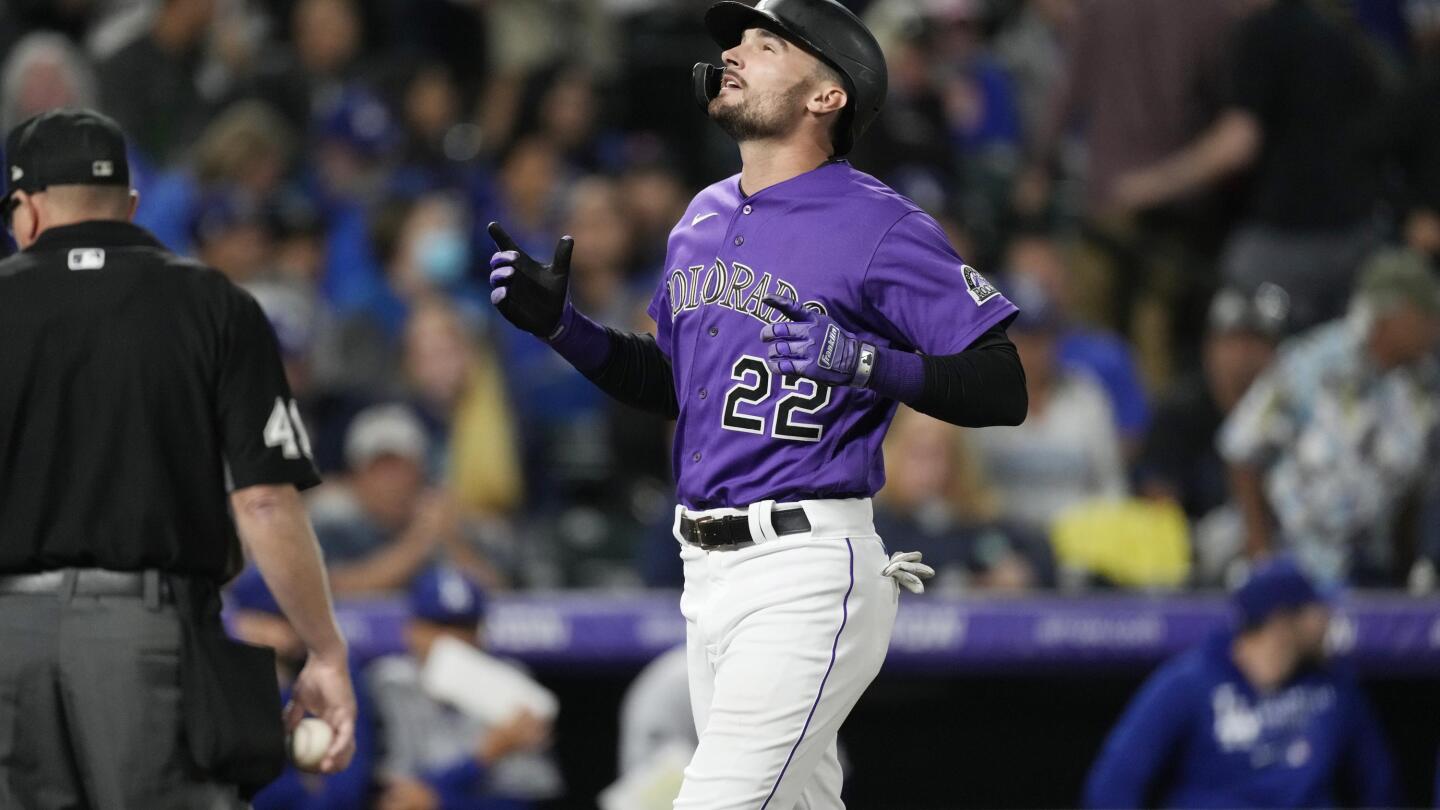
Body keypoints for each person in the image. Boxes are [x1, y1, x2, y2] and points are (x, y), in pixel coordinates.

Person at [485, 1, 1027, 805]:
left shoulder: (880, 223)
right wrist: (565, 330)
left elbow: (1003, 384)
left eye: (766, 44)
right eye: (737, 42)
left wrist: (870, 363)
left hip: (805, 568)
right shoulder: (700, 217)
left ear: (826, 96)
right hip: (705, 572)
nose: (735, 54)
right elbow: (674, 384)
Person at [0, 108, 354, 807]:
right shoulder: (214, 305)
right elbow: (263, 501)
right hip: (145, 641)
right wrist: (325, 649)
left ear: (27, 212)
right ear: (131, 207)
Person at [1084, 558, 1398, 809]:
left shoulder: (1334, 685)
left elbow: (1378, 786)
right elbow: (1116, 783)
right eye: (1316, 610)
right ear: (1282, 622)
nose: (1328, 618)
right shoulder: (1190, 680)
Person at [1219, 249, 1440, 586]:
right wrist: (1263, 556)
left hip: (1374, 571)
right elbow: (1241, 450)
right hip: (1300, 567)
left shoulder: (1422, 386)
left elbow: (1415, 492)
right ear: (1390, 316)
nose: (1434, 329)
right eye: (1425, 316)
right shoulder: (1311, 364)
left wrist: (1405, 572)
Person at [365, 566, 562, 809]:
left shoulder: (512, 684)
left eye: (463, 628)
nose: (452, 641)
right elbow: (394, 799)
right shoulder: (388, 684)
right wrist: (486, 755)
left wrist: (442, 801)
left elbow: (531, 800)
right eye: (437, 627)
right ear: (411, 631)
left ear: (481, 633)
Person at [311, 403, 514, 595]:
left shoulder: (450, 523)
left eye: (401, 468)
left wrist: (452, 541)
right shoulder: (334, 525)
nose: (391, 482)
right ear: (356, 478)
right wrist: (419, 542)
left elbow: (500, 597)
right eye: (379, 470)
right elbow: (333, 590)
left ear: (421, 474)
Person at [227, 568, 375, 810]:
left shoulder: (338, 673)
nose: (300, 627)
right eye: (282, 618)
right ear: (247, 621)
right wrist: (302, 788)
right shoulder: (223, 679)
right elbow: (235, 787)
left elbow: (349, 780)